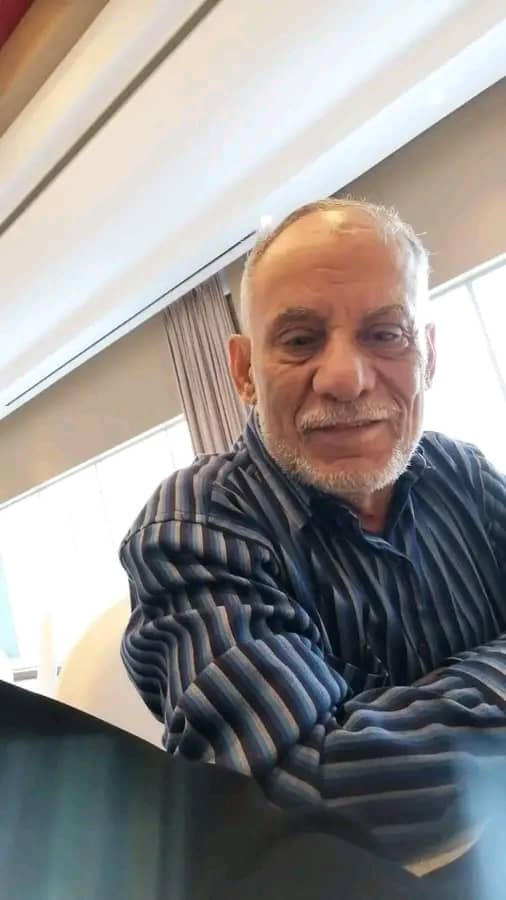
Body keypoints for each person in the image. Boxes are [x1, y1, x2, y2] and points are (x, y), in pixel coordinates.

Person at [120, 199, 505, 879]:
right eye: (300, 340)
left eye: (386, 334)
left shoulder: (465, 475)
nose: (345, 379)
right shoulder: (192, 525)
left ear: (429, 356)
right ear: (244, 371)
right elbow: (294, 790)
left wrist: (384, 736)